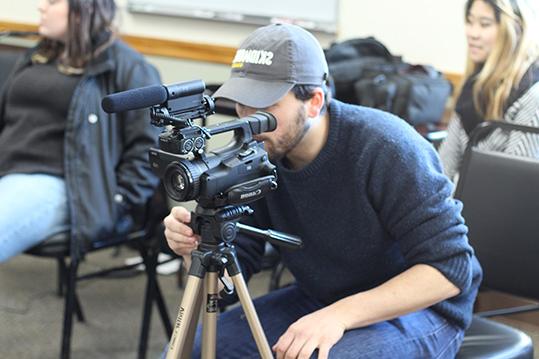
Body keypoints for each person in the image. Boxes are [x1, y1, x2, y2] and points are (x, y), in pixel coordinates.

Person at [163, 23, 482, 358]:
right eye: (242, 104)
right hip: (321, 296)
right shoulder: (259, 152)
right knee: (190, 349)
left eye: (265, 107)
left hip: (422, 309)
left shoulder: (387, 147)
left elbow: (450, 269)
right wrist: (194, 251)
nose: (248, 120)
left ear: (314, 102)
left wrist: (340, 315)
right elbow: (229, 283)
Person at [0, 0, 161, 262]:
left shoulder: (129, 67)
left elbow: (150, 147)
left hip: (62, 185)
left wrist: (117, 201)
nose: (41, 7)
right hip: (8, 172)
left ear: (82, 9)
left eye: (52, 2)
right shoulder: (40, 54)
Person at [439, 0, 539, 182]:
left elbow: (516, 185)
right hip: (462, 202)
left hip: (498, 206)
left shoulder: (532, 95)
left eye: (485, 24)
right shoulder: (473, 86)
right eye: (470, 21)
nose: (472, 33)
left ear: (514, 28)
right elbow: (444, 167)